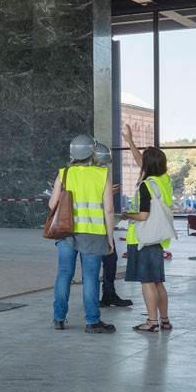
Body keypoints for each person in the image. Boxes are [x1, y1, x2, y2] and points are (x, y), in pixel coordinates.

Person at [48, 134, 117, 333]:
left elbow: (52, 204)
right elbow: (109, 210)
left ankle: (58, 318)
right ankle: (92, 321)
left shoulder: (64, 173)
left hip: (66, 231)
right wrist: (110, 238)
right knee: (90, 278)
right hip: (94, 234)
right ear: (92, 153)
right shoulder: (101, 175)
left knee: (63, 275)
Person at [122, 124, 173, 332]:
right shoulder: (163, 181)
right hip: (159, 239)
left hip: (143, 239)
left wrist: (126, 214)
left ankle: (151, 322)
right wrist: (130, 142)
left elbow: (143, 215)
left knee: (147, 282)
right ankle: (164, 319)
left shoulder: (145, 186)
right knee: (158, 281)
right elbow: (142, 163)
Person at [93, 142, 134, 309]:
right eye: (102, 163)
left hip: (100, 226)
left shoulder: (100, 174)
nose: (104, 166)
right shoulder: (97, 175)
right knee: (96, 264)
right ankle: (97, 299)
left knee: (110, 261)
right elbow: (105, 207)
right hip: (95, 227)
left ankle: (108, 294)